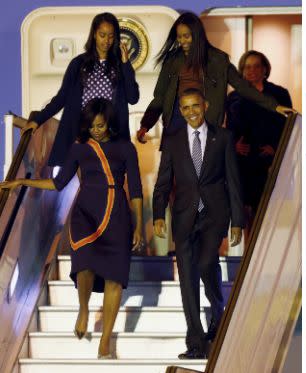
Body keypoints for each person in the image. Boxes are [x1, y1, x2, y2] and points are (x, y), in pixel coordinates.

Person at [2, 98, 144, 358]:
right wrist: (22, 181)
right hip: (86, 213)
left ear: (109, 122)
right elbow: (58, 184)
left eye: (100, 125)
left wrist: (138, 227)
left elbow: (135, 188)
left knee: (115, 278)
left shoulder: (126, 148)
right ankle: (84, 308)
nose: (96, 130)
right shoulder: (79, 149)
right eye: (92, 126)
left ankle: (105, 339)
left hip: (117, 213)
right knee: (85, 264)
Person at [152, 88, 244, 359]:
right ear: (181, 110)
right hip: (183, 216)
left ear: (205, 106)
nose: (191, 112)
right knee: (187, 281)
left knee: (206, 263)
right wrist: (158, 213)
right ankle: (195, 343)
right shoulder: (173, 140)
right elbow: (163, 181)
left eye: (195, 106)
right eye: (185, 108)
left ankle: (217, 312)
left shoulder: (223, 137)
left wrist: (237, 221)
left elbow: (233, 181)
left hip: (214, 214)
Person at [136, 12, 292, 148]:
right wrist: (146, 124)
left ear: (197, 35)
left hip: (204, 118)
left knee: (202, 172)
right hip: (176, 118)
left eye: (186, 36)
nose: (182, 41)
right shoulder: (172, 60)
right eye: (179, 37)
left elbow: (243, 86)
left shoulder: (218, 60)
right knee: (175, 173)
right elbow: (160, 96)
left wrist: (275, 106)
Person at [22, 13, 139, 167]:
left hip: (110, 133)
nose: (106, 40)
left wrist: (125, 64)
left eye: (111, 36)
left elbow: (133, 97)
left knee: (108, 180)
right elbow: (61, 98)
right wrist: (38, 120)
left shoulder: (120, 65)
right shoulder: (78, 64)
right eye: (102, 35)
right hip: (82, 132)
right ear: (94, 35)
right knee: (86, 184)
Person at [225, 50, 292, 211]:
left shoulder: (279, 94)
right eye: (247, 67)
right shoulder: (234, 97)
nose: (251, 70)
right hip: (242, 161)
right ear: (242, 71)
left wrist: (276, 148)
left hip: (268, 161)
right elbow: (228, 128)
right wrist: (233, 145)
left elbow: (289, 126)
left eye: (256, 66)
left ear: (264, 69)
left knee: (266, 211)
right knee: (242, 212)